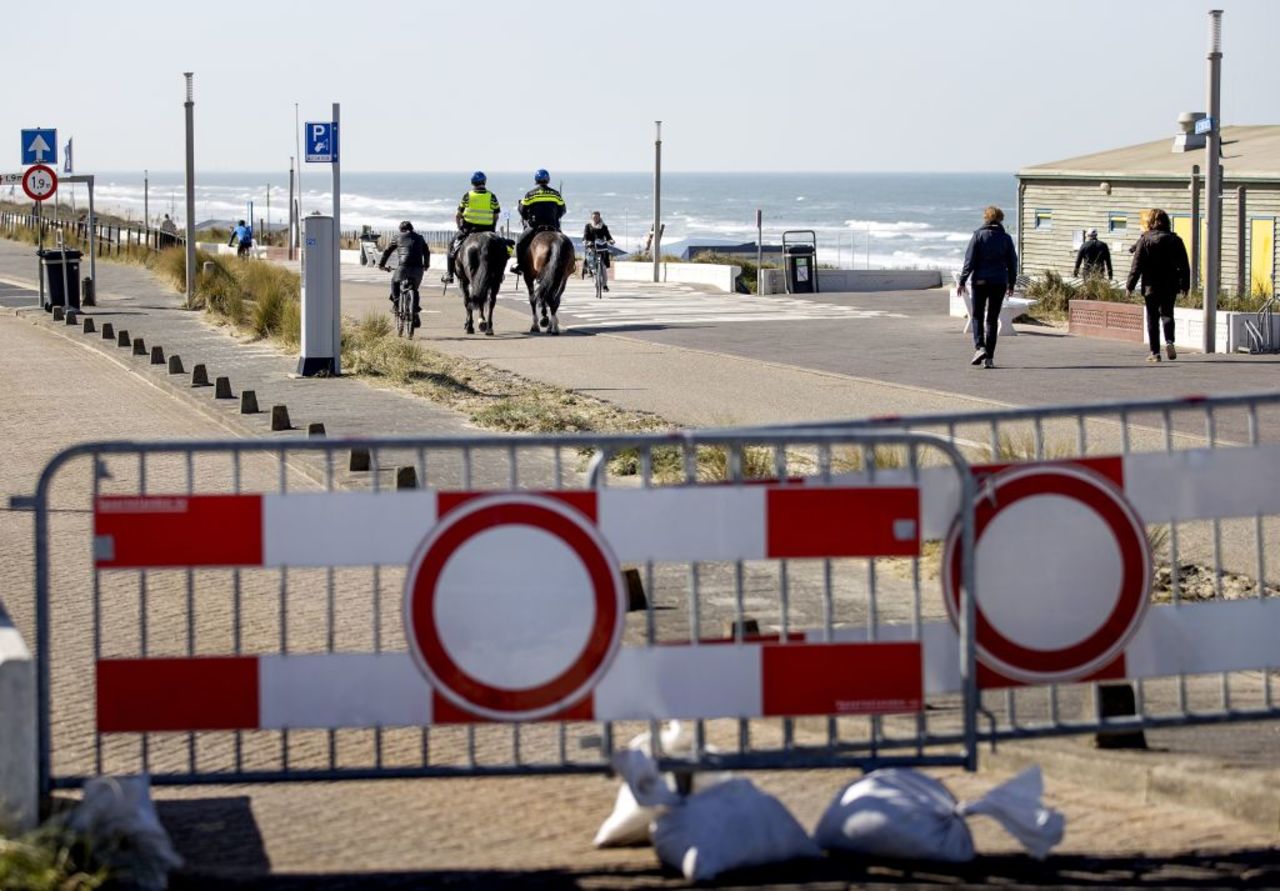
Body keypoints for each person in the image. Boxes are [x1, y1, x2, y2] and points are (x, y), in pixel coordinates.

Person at [957, 205, 1018, 369]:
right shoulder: (1006, 238)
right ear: (1000, 219)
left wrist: (962, 281)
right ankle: (989, 358)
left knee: (977, 315)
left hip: (980, 281)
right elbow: (1013, 263)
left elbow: (969, 261)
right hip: (999, 281)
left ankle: (980, 347)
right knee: (992, 319)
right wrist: (1011, 283)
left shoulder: (978, 235)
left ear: (986, 218)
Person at [1126, 208, 1189, 363]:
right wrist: (1185, 285)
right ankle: (1169, 342)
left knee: (1152, 318)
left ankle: (1155, 352)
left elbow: (1137, 265)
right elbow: (1184, 265)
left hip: (1150, 285)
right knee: (1167, 314)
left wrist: (1130, 285)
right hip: (1170, 284)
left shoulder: (1145, 240)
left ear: (1150, 222)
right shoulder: (1176, 240)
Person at [443, 172, 500, 284]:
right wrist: (493, 227)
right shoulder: (491, 196)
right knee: (501, 249)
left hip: (468, 229)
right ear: (484, 182)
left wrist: (460, 227)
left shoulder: (467, 196)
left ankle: (449, 274)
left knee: (451, 246)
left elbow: (458, 215)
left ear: (472, 183)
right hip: (487, 230)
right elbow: (496, 215)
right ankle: (499, 274)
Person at [509, 169, 566, 277]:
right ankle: (567, 265)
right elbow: (563, 210)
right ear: (548, 180)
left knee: (520, 243)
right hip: (553, 226)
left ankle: (519, 265)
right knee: (564, 243)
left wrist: (526, 218)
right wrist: (556, 218)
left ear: (536, 180)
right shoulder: (555, 194)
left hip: (535, 227)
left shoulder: (531, 194)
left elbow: (522, 209)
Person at [378, 220, 430, 329]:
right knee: (414, 289)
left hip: (403, 267)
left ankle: (397, 304)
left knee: (394, 282)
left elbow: (387, 251)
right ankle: (414, 312)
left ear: (401, 230)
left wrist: (381, 265)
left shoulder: (397, 237)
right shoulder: (420, 237)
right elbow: (426, 251)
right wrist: (426, 265)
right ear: (412, 228)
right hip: (418, 269)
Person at [582, 211, 615, 290]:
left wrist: (611, 240)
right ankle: (590, 270)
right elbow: (585, 235)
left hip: (601, 247)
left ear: (599, 217)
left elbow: (608, 236)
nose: (595, 219)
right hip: (591, 246)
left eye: (597, 217)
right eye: (594, 217)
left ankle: (605, 285)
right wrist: (586, 241)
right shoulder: (588, 226)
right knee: (590, 260)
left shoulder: (604, 226)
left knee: (603, 267)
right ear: (591, 218)